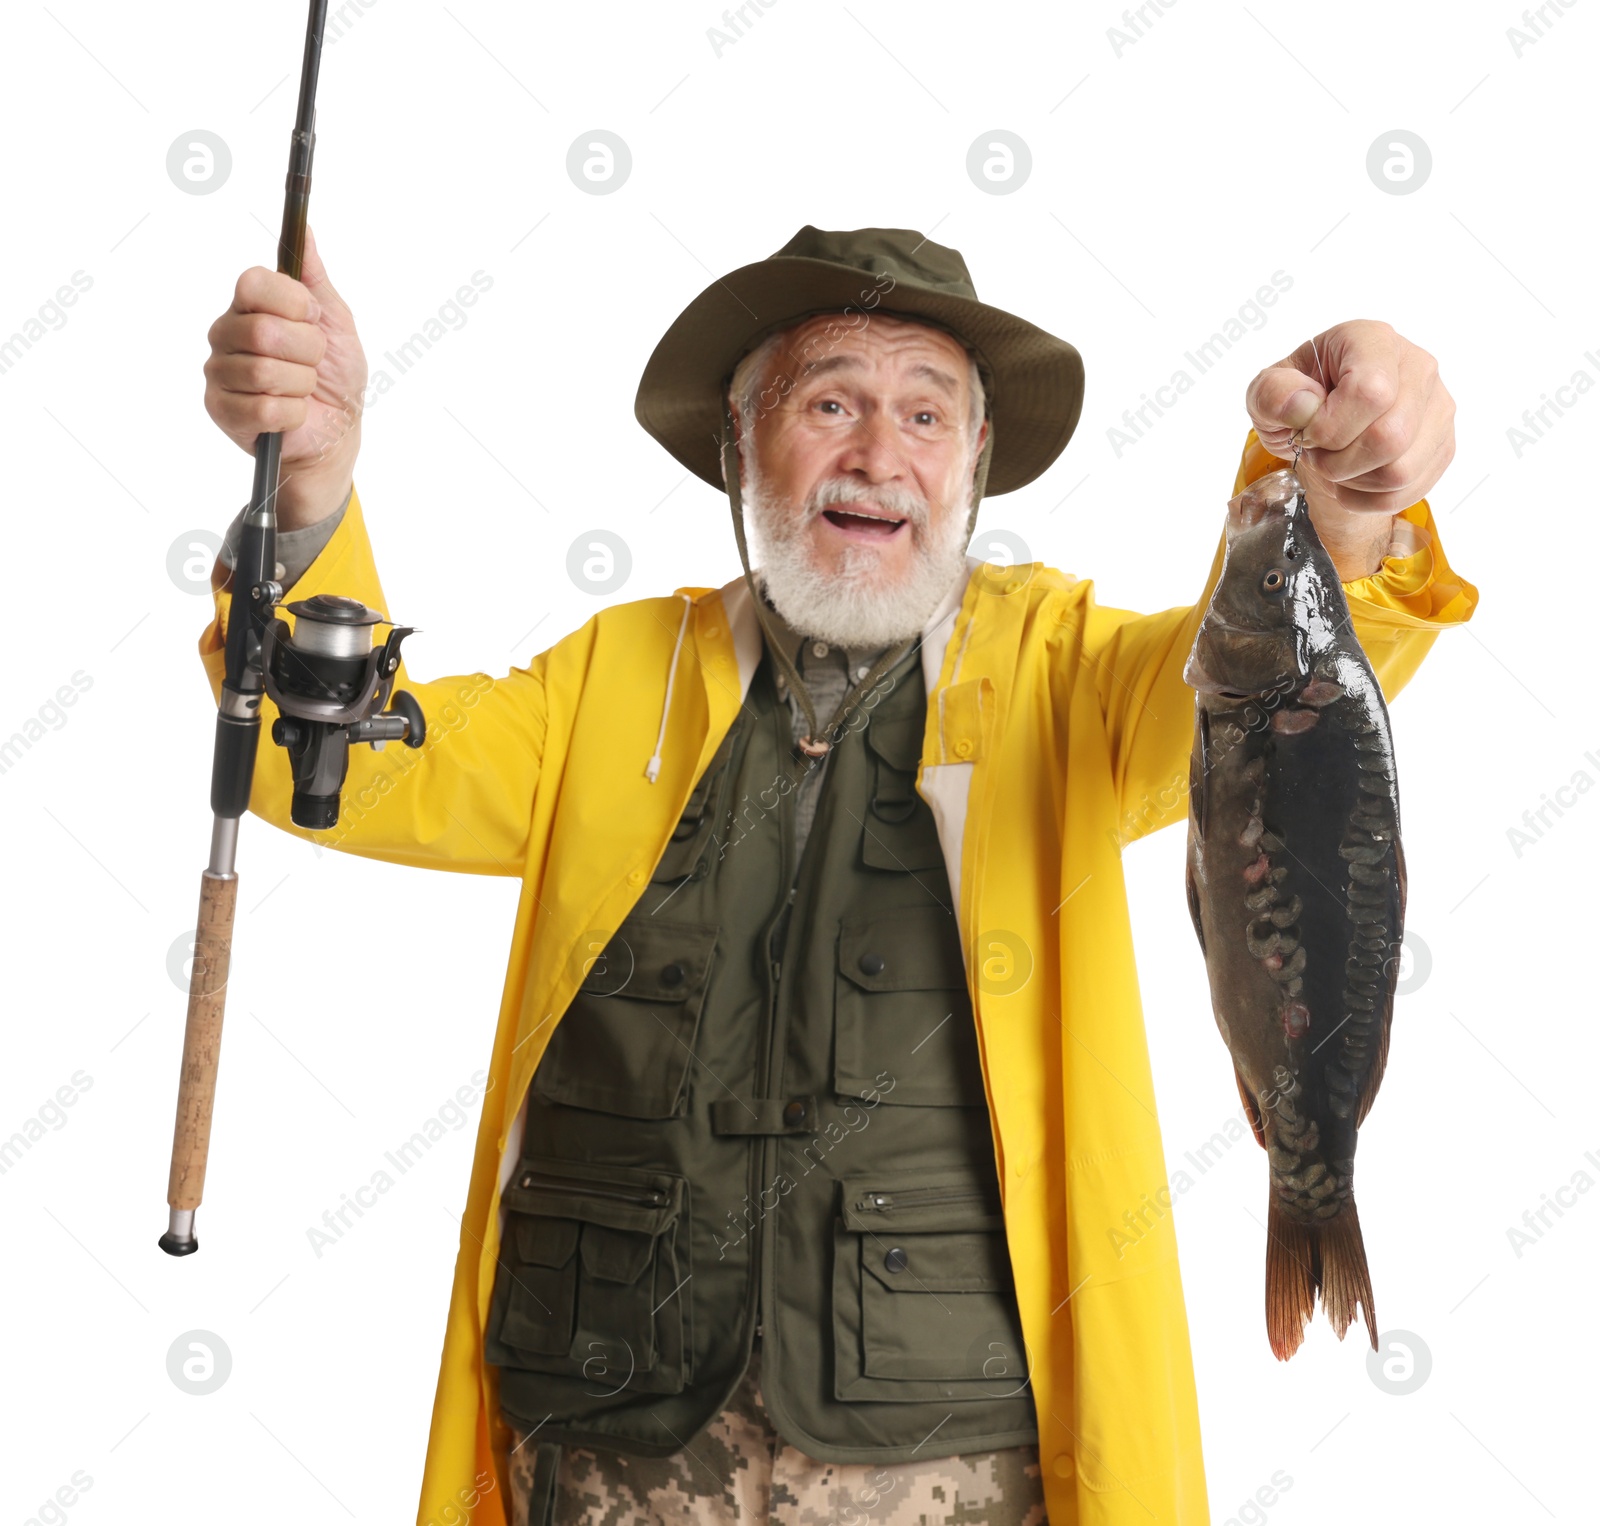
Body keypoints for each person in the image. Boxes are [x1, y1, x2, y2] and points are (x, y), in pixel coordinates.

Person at [200, 223, 1477, 1526]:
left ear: (975, 460)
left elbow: (1267, 700)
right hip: (602, 1456)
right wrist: (308, 491)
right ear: (739, 444)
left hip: (957, 1467)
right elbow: (352, 765)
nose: (881, 454)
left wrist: (1343, 499)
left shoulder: (1064, 674)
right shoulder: (613, 676)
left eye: (927, 412)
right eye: (831, 403)